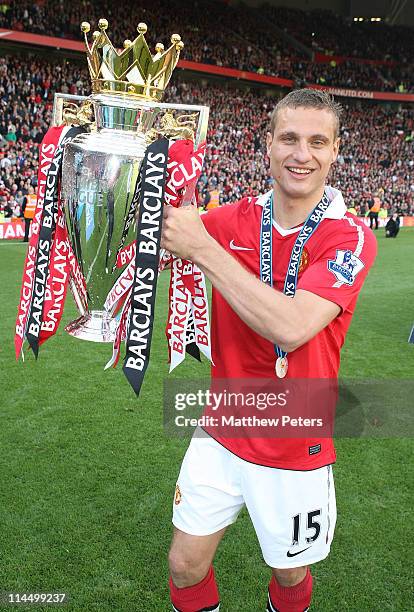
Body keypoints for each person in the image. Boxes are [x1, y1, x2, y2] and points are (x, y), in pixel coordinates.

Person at [162, 88, 378, 612]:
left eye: (316, 141)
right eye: (288, 138)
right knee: (184, 565)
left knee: (288, 573)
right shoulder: (232, 219)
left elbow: (291, 326)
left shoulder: (348, 237)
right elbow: (156, 238)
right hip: (221, 425)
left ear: (335, 151)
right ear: (267, 145)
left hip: (292, 442)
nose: (300, 154)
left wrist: (202, 249)